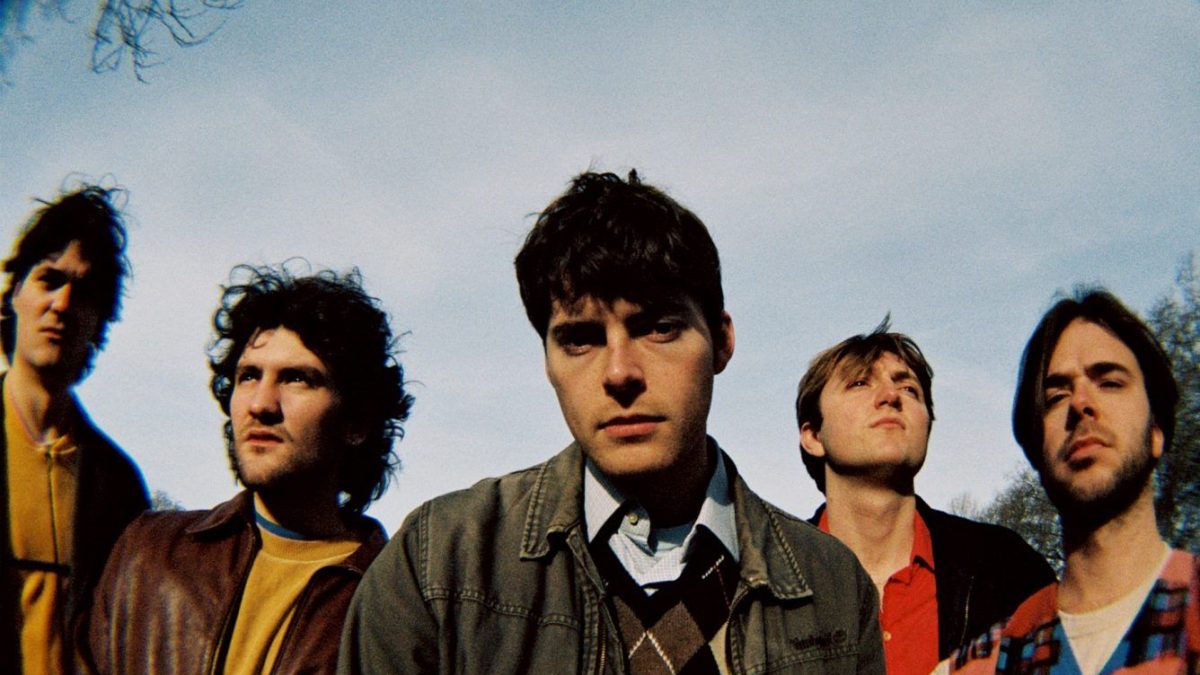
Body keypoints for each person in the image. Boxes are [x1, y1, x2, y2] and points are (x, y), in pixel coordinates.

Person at [340, 170, 884, 674]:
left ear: (722, 341)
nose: (620, 372)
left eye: (659, 328)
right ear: (548, 361)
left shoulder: (832, 586)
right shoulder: (439, 562)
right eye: (580, 339)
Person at [85, 265, 414, 674]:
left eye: (297, 379)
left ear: (357, 422)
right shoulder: (148, 553)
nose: (261, 404)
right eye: (248, 376)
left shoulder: (393, 601)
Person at [944, 289, 1198, 673]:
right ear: (1036, 448)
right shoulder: (976, 666)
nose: (1080, 403)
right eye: (1056, 396)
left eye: (1110, 382)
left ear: (1156, 431)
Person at [795, 321, 1055, 674]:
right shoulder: (764, 583)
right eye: (859, 382)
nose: (891, 396)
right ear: (813, 436)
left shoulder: (1007, 569)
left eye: (909, 388)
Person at [0, 185, 148, 674]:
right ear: (15, 293)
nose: (62, 304)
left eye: (83, 292)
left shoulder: (119, 486)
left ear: (100, 322)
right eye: (50, 279)